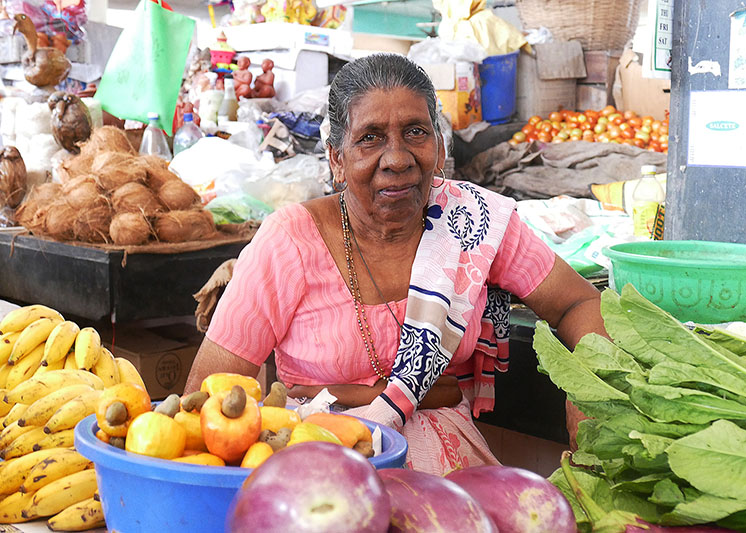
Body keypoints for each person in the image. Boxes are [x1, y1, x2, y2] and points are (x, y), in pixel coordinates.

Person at [185, 53, 606, 475]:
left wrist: (587, 390)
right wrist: (379, 393)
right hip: (320, 467)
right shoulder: (289, 241)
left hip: (450, 474)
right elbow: (209, 397)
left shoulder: (471, 222)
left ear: (439, 148)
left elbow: (578, 303)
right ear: (336, 159)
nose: (397, 158)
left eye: (415, 132)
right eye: (370, 137)